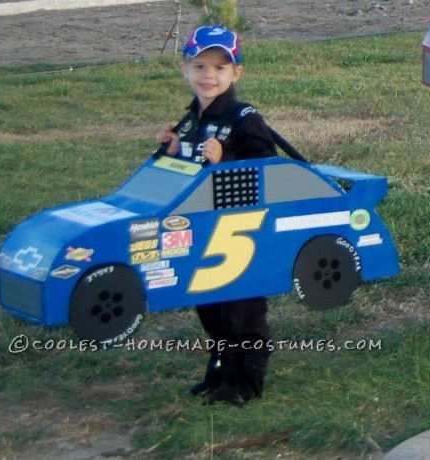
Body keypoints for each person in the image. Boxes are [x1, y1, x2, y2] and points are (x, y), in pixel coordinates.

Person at [155, 25, 276, 406]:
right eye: (200, 66)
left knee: (241, 304)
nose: (209, 76)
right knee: (208, 302)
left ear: (236, 73)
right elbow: (184, 169)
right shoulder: (191, 119)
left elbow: (268, 166)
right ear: (185, 69)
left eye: (220, 68)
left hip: (241, 227)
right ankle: (221, 370)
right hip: (204, 225)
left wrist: (228, 160)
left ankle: (246, 381)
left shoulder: (244, 117)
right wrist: (172, 150)